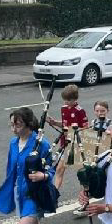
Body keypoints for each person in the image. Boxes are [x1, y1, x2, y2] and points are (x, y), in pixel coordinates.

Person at [46, 84, 89, 214]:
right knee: (59, 169)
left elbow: (85, 128)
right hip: (66, 143)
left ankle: (85, 202)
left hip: (77, 145)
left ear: (75, 99)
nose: (66, 103)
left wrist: (75, 132)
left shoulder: (80, 111)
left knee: (82, 174)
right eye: (64, 100)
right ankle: (53, 196)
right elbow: (64, 124)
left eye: (68, 100)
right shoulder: (64, 108)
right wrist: (54, 122)